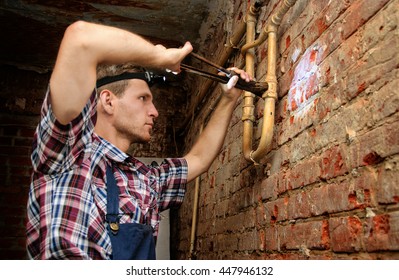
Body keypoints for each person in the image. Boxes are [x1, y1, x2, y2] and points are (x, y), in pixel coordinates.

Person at [26, 21, 251, 259]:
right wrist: (160, 57)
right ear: (108, 101)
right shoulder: (68, 151)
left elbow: (198, 158)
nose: (154, 111)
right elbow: (80, 38)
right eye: (143, 98)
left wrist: (228, 100)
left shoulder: (145, 180)